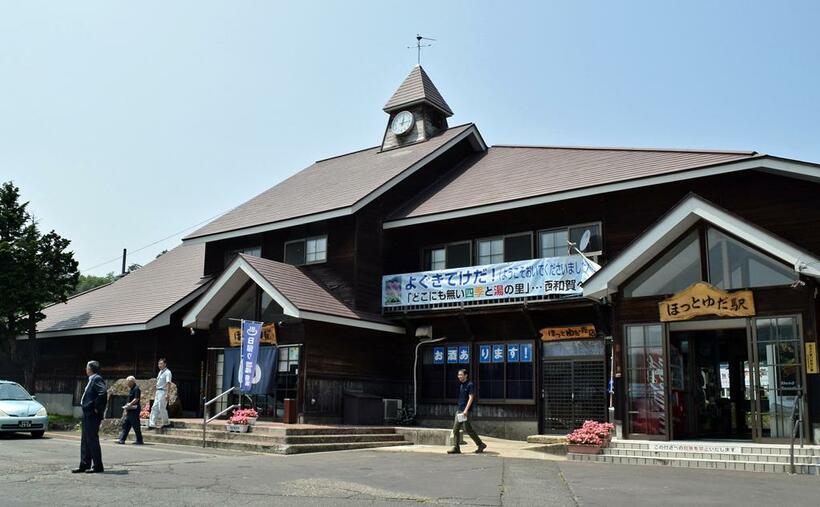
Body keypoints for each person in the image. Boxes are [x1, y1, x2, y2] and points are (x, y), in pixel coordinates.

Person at [72, 360, 107, 474]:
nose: (85, 369)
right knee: (85, 440)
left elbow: (103, 393)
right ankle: (84, 464)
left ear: (91, 368)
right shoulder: (91, 379)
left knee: (92, 439)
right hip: (87, 413)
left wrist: (95, 407)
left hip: (92, 414)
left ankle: (97, 465)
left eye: (87, 367)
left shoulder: (97, 378)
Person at [447, 368, 486, 454]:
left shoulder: (470, 384)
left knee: (468, 430)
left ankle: (480, 444)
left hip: (465, 411)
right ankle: (456, 447)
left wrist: (466, 410)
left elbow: (471, 397)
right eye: (458, 375)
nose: (459, 376)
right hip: (459, 410)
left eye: (461, 375)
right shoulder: (461, 385)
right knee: (456, 429)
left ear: (466, 375)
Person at [117, 376, 143, 445]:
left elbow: (136, 399)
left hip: (134, 410)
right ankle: (122, 439)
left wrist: (129, 404)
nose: (127, 383)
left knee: (136, 425)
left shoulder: (136, 389)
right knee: (126, 425)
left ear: (132, 382)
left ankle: (139, 440)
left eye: (128, 382)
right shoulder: (131, 389)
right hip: (130, 410)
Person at [148, 358, 172, 429]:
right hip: (158, 391)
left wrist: (168, 394)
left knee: (161, 408)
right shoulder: (160, 372)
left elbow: (168, 383)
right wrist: (156, 386)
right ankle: (152, 423)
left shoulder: (168, 372)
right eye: (159, 364)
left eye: (161, 364)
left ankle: (166, 422)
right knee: (154, 407)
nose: (159, 365)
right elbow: (159, 381)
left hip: (163, 391)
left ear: (165, 364)